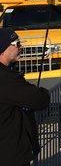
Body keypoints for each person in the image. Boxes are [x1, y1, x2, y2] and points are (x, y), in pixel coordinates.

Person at [0, 28, 51, 166]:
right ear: (2, 50)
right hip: (10, 153)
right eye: (16, 43)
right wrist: (44, 92)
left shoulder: (8, 74)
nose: (20, 46)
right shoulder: (6, 79)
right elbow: (39, 99)